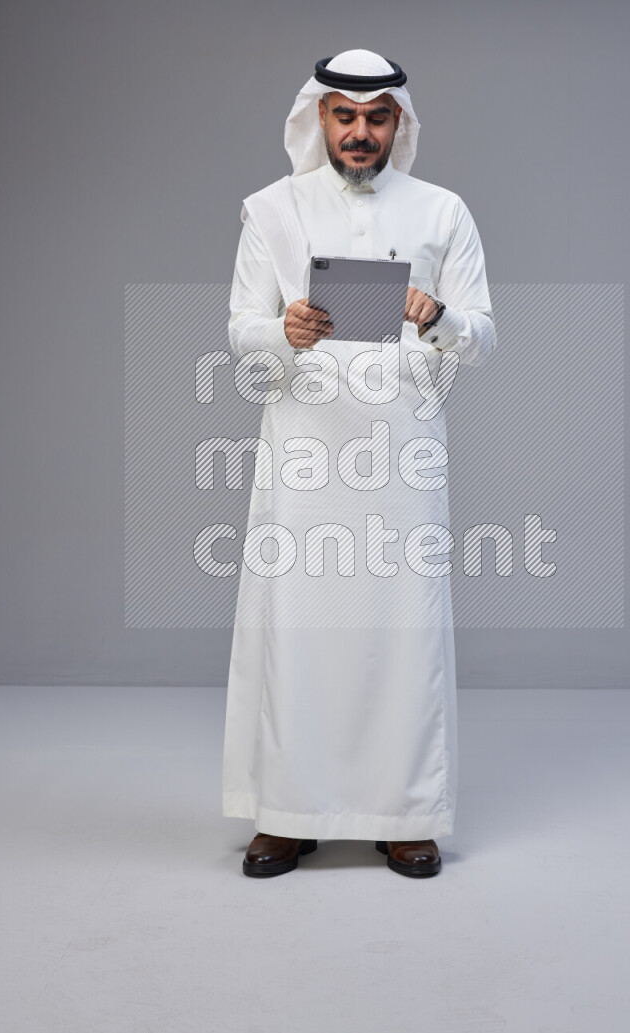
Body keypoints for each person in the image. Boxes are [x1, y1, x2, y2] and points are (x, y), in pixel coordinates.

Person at [222, 49, 496, 878]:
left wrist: (440, 314)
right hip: (303, 457)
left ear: (399, 123)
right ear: (320, 118)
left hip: (403, 458)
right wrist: (284, 332)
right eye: (345, 115)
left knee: (401, 631)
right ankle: (287, 813)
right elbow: (241, 333)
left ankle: (404, 811)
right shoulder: (270, 212)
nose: (360, 132)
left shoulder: (444, 212)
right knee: (296, 629)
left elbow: (482, 337)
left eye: (378, 117)